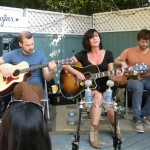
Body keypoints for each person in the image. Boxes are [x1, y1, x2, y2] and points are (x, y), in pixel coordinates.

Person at [62, 29, 123, 149]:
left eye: (97, 36)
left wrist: (118, 77)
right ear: (87, 41)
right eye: (92, 37)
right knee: (98, 97)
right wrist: (77, 73)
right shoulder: (82, 54)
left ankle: (116, 128)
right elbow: (65, 64)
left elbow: (111, 75)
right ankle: (93, 133)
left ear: (100, 38)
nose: (95, 38)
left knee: (109, 105)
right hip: (90, 88)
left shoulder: (108, 54)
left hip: (106, 87)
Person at [0, 31, 57, 104]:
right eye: (27, 45)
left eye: (32, 44)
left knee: (27, 88)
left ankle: (30, 112)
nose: (31, 47)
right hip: (19, 88)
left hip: (37, 87)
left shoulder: (41, 56)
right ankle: (37, 112)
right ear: (20, 44)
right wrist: (2, 68)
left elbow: (47, 78)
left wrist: (53, 71)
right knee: (24, 85)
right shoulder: (13, 54)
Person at [114, 29, 150, 133]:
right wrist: (122, 63)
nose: (145, 44)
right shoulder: (129, 51)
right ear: (138, 40)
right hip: (131, 79)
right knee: (138, 87)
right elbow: (115, 60)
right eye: (143, 41)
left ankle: (143, 115)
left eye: (147, 41)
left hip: (147, 78)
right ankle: (137, 119)